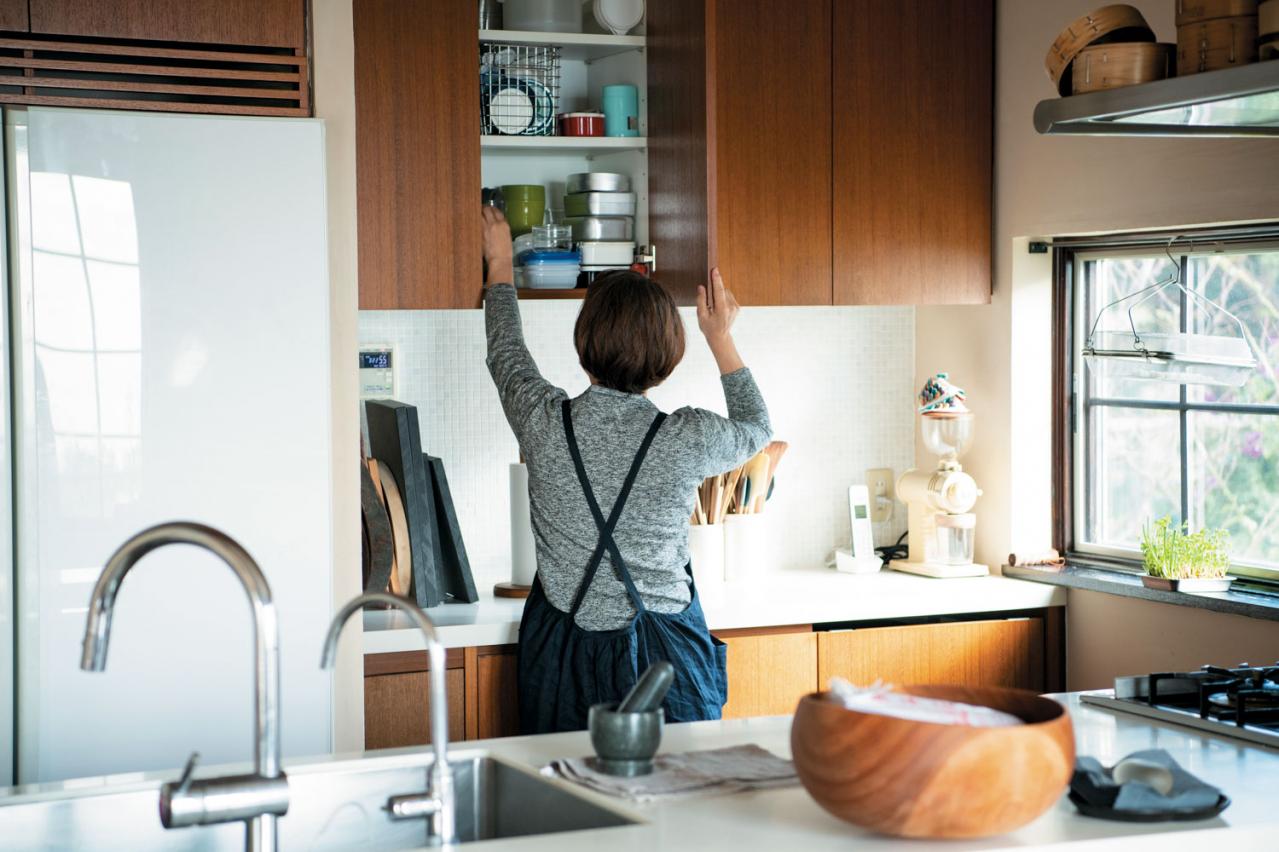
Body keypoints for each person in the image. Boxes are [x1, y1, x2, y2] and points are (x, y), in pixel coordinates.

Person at [481, 207, 771, 733]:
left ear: (584, 342)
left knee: (573, 806)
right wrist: (719, 336)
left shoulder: (543, 422)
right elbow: (756, 428)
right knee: (679, 805)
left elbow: (505, 352)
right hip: (668, 666)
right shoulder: (688, 437)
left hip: (561, 666)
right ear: (668, 356)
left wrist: (501, 261)